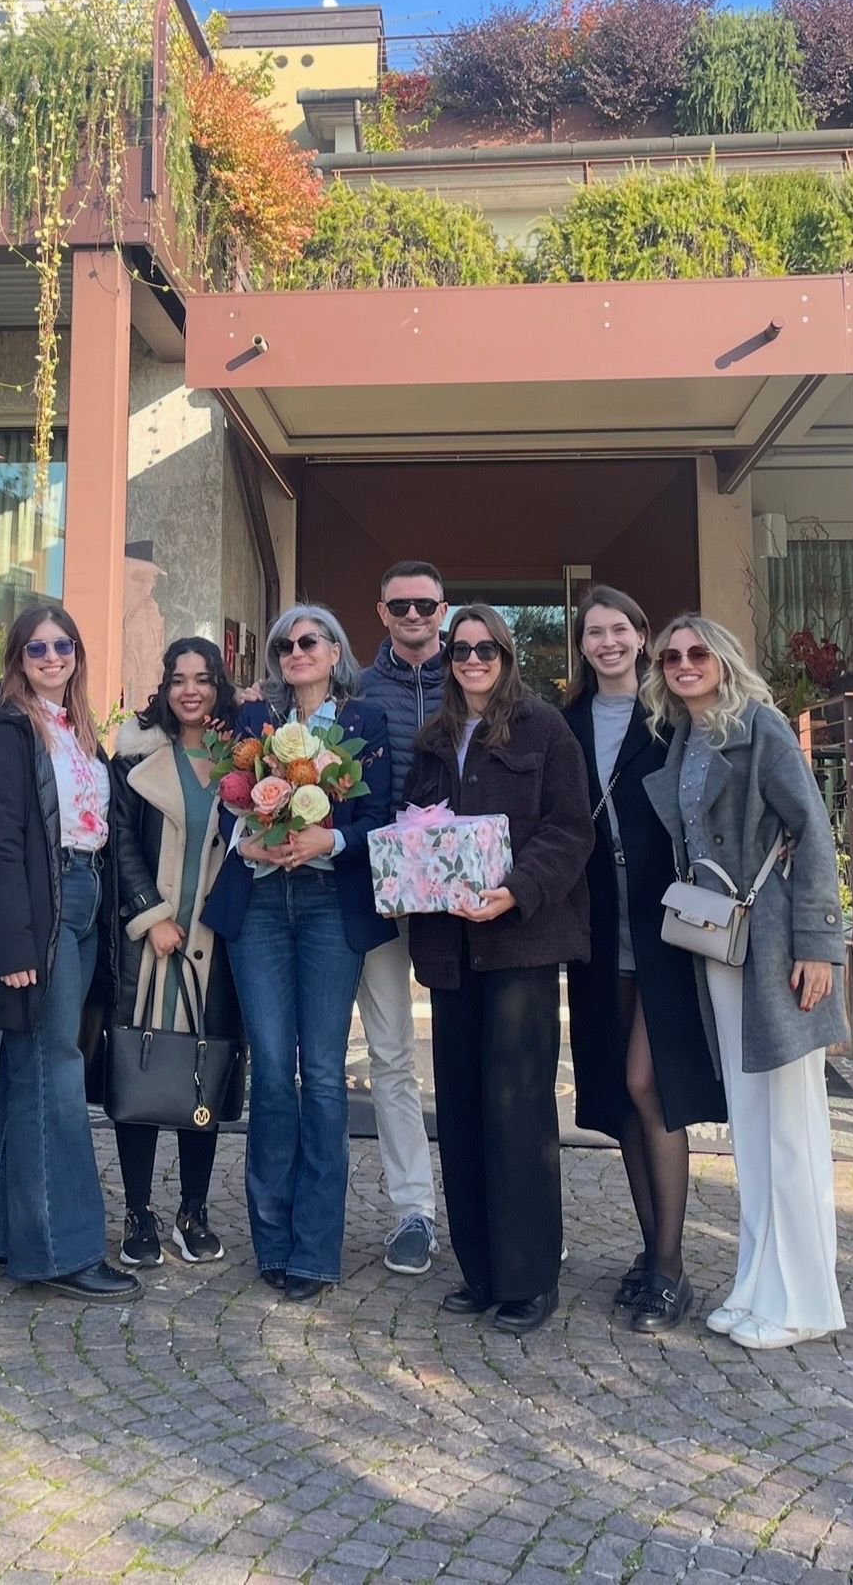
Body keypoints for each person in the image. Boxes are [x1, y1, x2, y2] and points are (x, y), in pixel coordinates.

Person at [641, 614, 848, 1351]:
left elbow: (812, 830)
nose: (684, 663)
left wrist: (819, 946)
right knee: (752, 1124)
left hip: (777, 945)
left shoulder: (760, 726)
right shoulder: (684, 738)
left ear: (724, 660)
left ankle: (804, 1301)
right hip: (720, 943)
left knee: (790, 1124)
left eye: (698, 652)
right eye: (671, 656)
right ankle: (760, 1284)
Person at [405, 604, 593, 1335]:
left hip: (520, 942)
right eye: (461, 649)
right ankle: (479, 1270)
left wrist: (516, 888)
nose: (473, 660)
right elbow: (413, 829)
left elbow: (570, 829)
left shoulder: (544, 729)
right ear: (447, 658)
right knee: (458, 1111)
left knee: (517, 1112)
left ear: (506, 656)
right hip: (450, 949)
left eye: (486, 649)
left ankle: (529, 1278)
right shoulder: (433, 738)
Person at [0, 604, 139, 1302]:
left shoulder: (80, 731)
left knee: (30, 1065)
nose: (52, 657)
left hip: (83, 897)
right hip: (40, 905)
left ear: (78, 655)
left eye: (63, 646)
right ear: (18, 659)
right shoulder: (7, 731)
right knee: (56, 1069)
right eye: (37, 648)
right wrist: (15, 941)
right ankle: (64, 1249)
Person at [205, 605, 393, 1300]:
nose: (295, 651)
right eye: (285, 643)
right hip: (258, 905)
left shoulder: (366, 722)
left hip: (326, 905)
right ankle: (273, 1242)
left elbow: (379, 816)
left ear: (335, 650)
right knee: (272, 1074)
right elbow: (227, 802)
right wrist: (247, 841)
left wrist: (330, 839)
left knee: (321, 1072)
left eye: (309, 640)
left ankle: (315, 1249)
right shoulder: (255, 720)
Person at [563, 586, 726, 1335]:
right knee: (622, 1096)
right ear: (582, 645)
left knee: (646, 1082)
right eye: (593, 632)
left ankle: (668, 1265)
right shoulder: (563, 723)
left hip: (666, 924)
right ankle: (653, 1252)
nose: (607, 642)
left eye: (618, 630)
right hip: (598, 929)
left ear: (640, 637)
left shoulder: (670, 716)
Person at [110, 637, 246, 1267]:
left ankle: (193, 1210)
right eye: (178, 679)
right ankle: (138, 1212)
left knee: (202, 1071)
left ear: (220, 685)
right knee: (140, 1069)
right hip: (153, 943)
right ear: (164, 687)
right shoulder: (135, 756)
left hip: (215, 942)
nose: (191, 691)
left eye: (203, 678)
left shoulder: (243, 761)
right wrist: (152, 914)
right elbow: (118, 840)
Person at [355, 560, 445, 1276]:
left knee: (472, 1055)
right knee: (390, 1055)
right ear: (381, 613)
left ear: (442, 610)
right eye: (400, 605)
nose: (413, 615)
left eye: (425, 604)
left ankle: (498, 1203)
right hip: (376, 890)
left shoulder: (474, 677)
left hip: (458, 895)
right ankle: (413, 1209)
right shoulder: (357, 688)